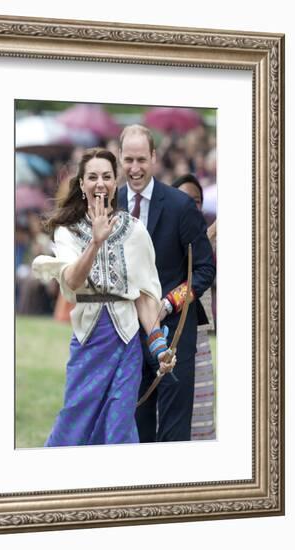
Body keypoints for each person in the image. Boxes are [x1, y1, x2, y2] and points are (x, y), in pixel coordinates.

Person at [32, 147, 175, 447]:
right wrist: (95, 243)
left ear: (116, 181)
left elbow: (144, 297)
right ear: (82, 184)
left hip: (127, 341)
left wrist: (159, 347)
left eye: (107, 176)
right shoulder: (67, 232)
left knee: (119, 425)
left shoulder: (135, 230)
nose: (100, 183)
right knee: (75, 417)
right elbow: (71, 280)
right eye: (93, 177)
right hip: (89, 339)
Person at [118, 125, 216, 442]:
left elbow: (203, 269)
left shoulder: (180, 206)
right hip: (125, 334)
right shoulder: (109, 206)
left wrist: (171, 302)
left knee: (173, 433)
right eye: (129, 160)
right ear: (120, 158)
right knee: (135, 427)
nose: (135, 168)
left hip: (173, 330)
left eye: (141, 160)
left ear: (155, 158)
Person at [172, 173, 216, 440]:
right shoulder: (166, 238)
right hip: (170, 335)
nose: (191, 206)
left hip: (199, 339)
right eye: (185, 200)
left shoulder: (206, 242)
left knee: (201, 413)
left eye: (196, 201)